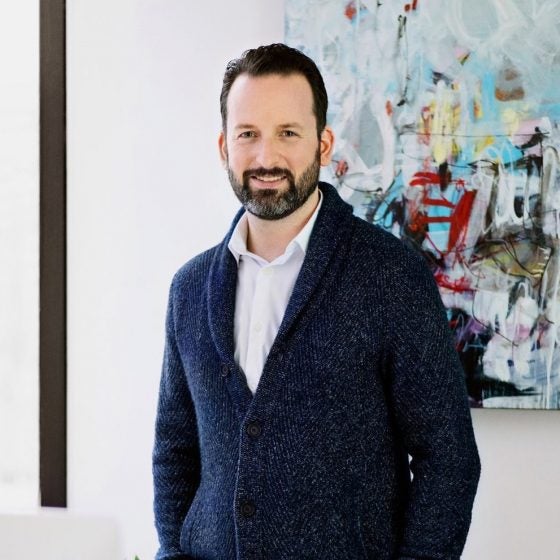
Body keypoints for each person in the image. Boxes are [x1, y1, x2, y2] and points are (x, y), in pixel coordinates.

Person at [152, 43, 480, 560]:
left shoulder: (390, 276)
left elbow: (449, 457)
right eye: (248, 134)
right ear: (223, 147)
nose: (266, 158)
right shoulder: (189, 289)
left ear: (323, 144)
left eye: (288, 133)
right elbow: (174, 451)